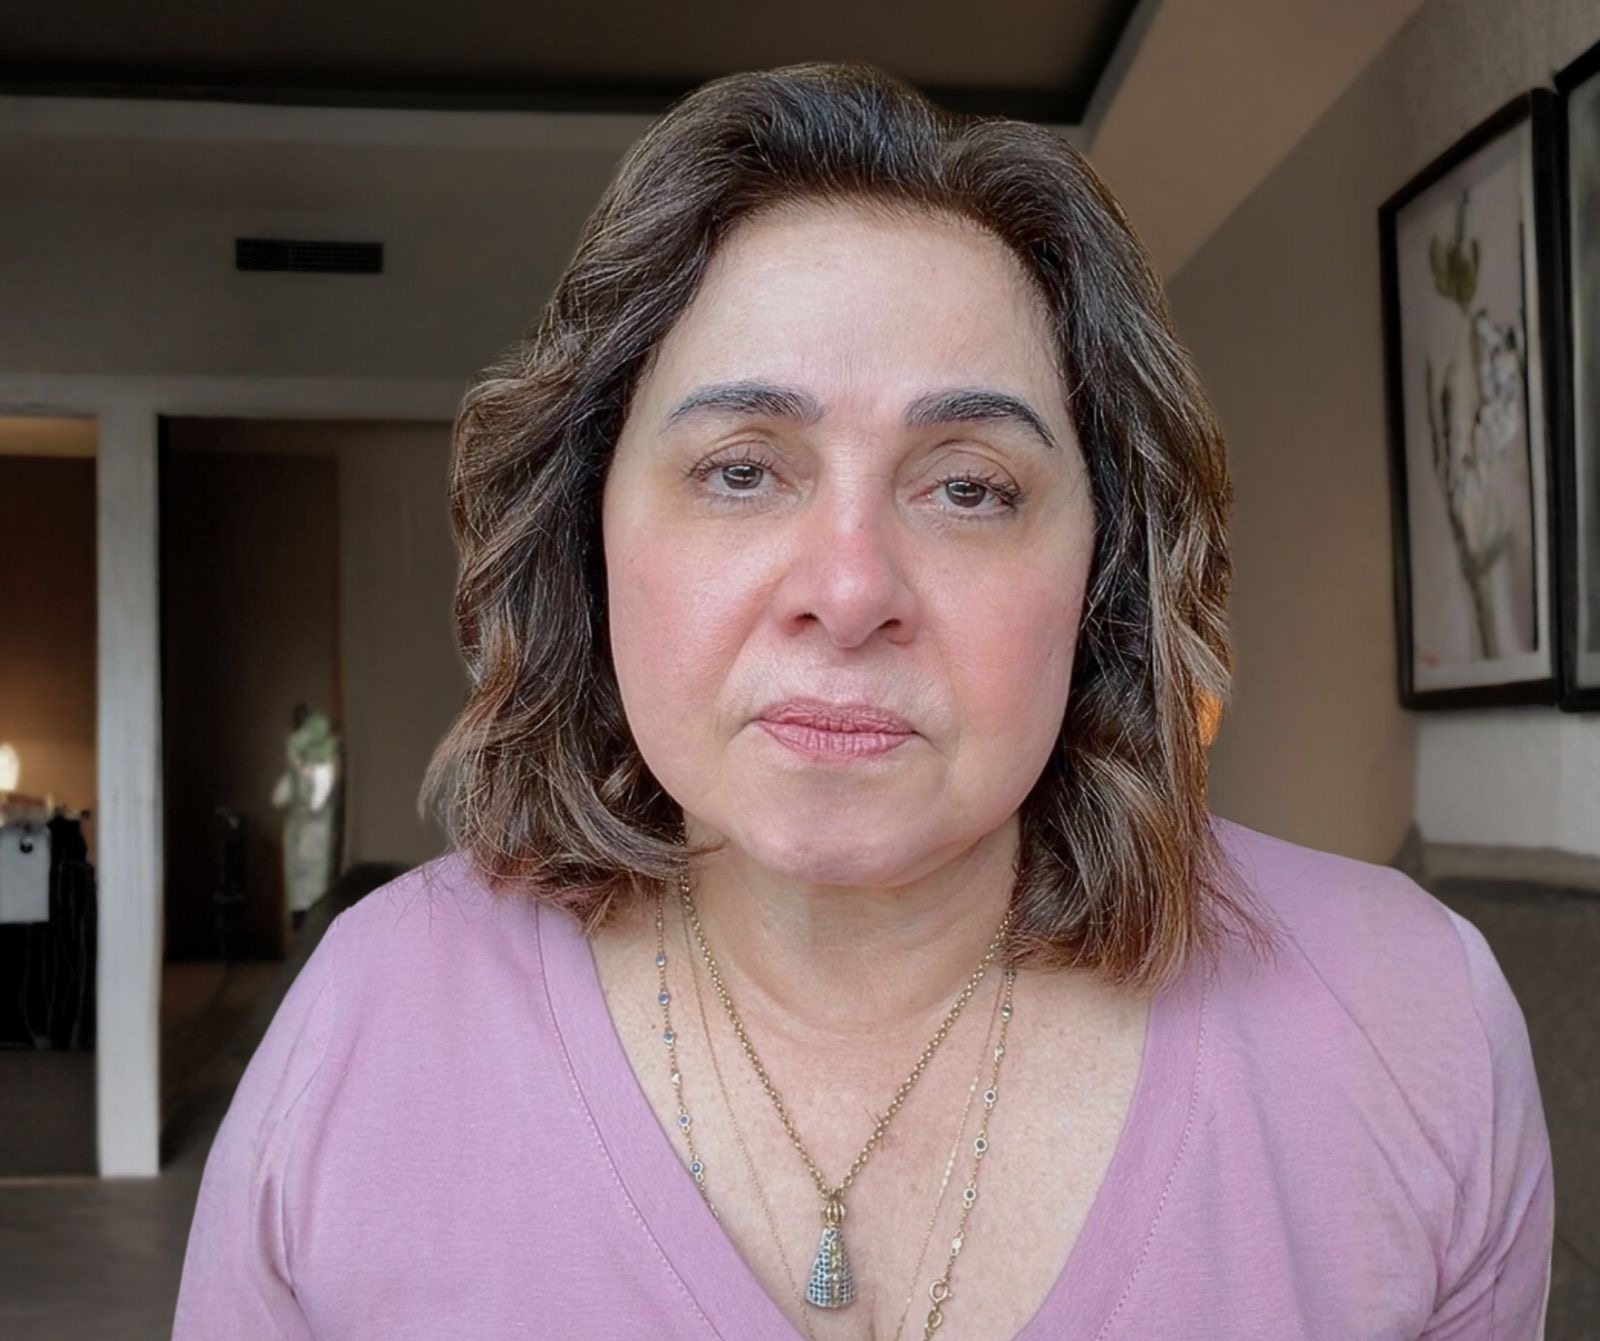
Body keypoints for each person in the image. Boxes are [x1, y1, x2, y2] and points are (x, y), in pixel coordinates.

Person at [172, 62, 1554, 1340]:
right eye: (741, 469)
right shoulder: (369, 1029)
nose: (849, 591)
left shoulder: (1410, 1028)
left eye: (970, 487)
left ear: (1108, 570)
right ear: (589, 533)